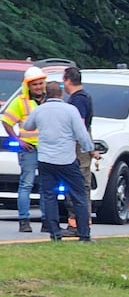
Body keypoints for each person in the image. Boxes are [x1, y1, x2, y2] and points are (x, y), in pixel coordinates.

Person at [22, 81, 100, 241]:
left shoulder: (40, 110)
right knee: (79, 195)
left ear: (46, 94)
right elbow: (81, 133)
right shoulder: (70, 110)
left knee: (49, 196)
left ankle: (55, 233)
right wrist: (89, 149)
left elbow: (28, 126)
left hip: (45, 160)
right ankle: (84, 234)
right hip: (66, 159)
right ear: (61, 94)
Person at [1, 65, 49, 232]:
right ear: (28, 85)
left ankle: (47, 221)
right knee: (26, 184)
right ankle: (24, 220)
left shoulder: (49, 100)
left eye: (41, 83)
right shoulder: (20, 101)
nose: (38, 87)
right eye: (35, 84)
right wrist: (17, 140)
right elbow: (6, 121)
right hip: (28, 149)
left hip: (47, 149)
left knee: (46, 186)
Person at [62, 66, 94, 237]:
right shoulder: (83, 97)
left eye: (63, 80)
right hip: (82, 145)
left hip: (78, 147)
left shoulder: (78, 100)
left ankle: (77, 225)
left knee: (78, 184)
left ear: (68, 80)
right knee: (81, 184)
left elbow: (79, 125)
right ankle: (81, 224)